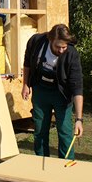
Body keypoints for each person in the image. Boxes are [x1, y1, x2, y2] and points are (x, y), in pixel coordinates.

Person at [21, 24, 84, 159]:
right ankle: (42, 162)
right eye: (58, 47)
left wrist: (79, 119)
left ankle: (66, 168)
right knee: (40, 130)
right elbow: (27, 63)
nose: (61, 50)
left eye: (64, 47)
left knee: (65, 131)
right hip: (40, 91)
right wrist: (26, 84)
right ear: (50, 39)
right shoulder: (36, 42)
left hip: (61, 94)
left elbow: (77, 88)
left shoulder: (72, 55)